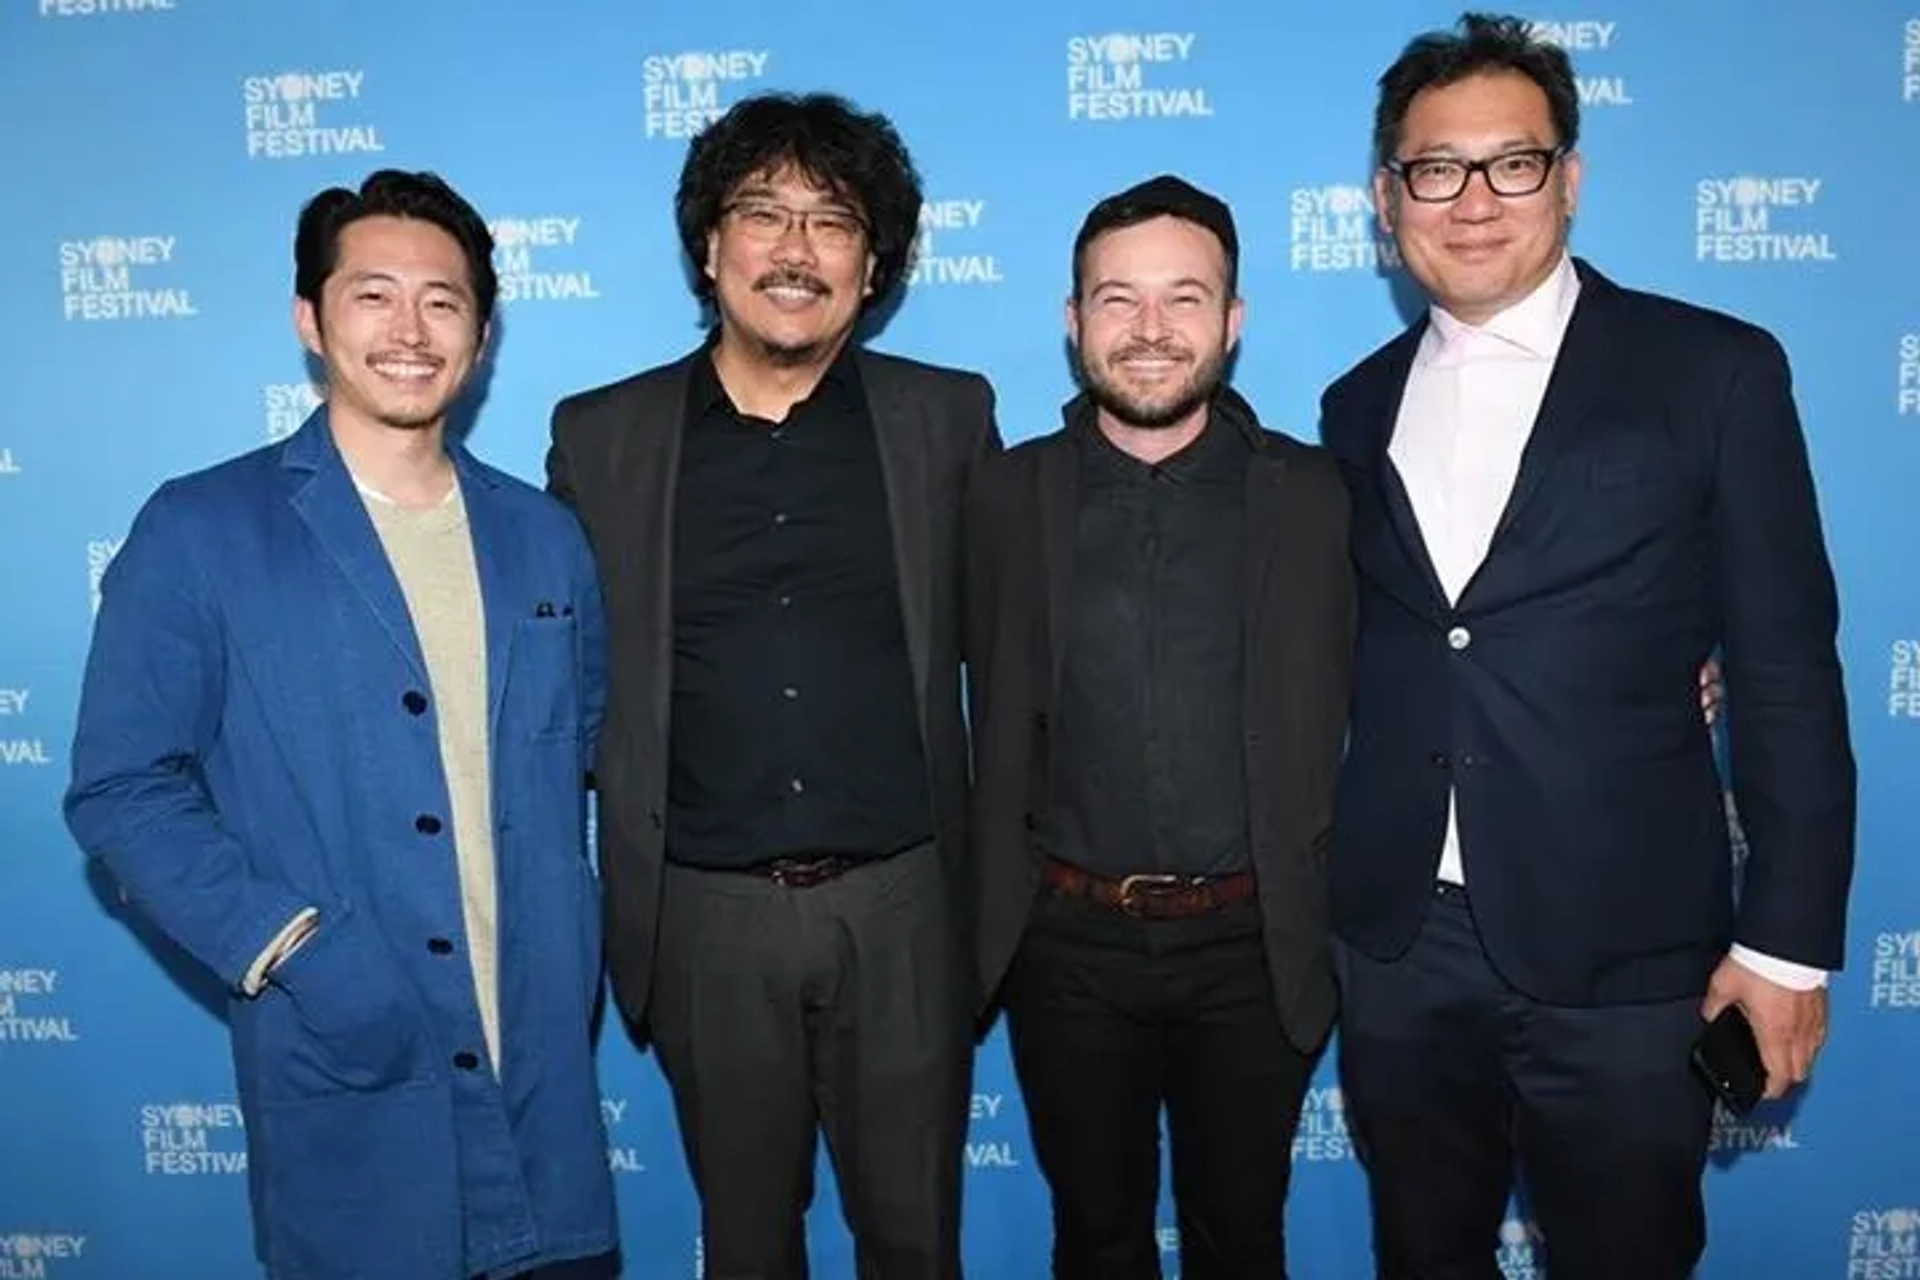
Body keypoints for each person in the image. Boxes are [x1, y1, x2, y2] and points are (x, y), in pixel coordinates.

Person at [1319, 14, 1857, 1278]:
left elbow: (1785, 671)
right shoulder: (1353, 404)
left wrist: (1784, 946)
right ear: (1386, 198)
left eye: (1511, 162)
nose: (1472, 200)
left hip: (1629, 952)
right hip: (1402, 946)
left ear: (1569, 175)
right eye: (1434, 168)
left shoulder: (1712, 369)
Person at [63, 170, 617, 1280]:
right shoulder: (202, 528)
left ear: (482, 330)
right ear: (309, 320)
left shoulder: (546, 537)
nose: (410, 331)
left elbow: (588, 749)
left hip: (544, 1085)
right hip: (353, 1070)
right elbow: (121, 789)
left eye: (444, 301)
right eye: (374, 295)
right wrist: (294, 948)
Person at [546, 93, 1000, 1280]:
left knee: (915, 1242)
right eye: (764, 213)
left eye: (833, 222)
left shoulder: (948, 421)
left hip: (903, 903)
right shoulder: (602, 439)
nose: (795, 250)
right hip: (707, 916)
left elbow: (1021, 653)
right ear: (709, 246)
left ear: (875, 264)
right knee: (747, 1244)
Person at [967, 175, 1355, 1279]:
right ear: (1073, 319)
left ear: (1232, 322)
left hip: (1256, 943)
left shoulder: (1322, 497)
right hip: (1066, 945)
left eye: (1184, 299)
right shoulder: (1001, 497)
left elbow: (1443, 656)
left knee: (1244, 1238)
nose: (1149, 331)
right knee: (1096, 1240)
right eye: (1117, 299)